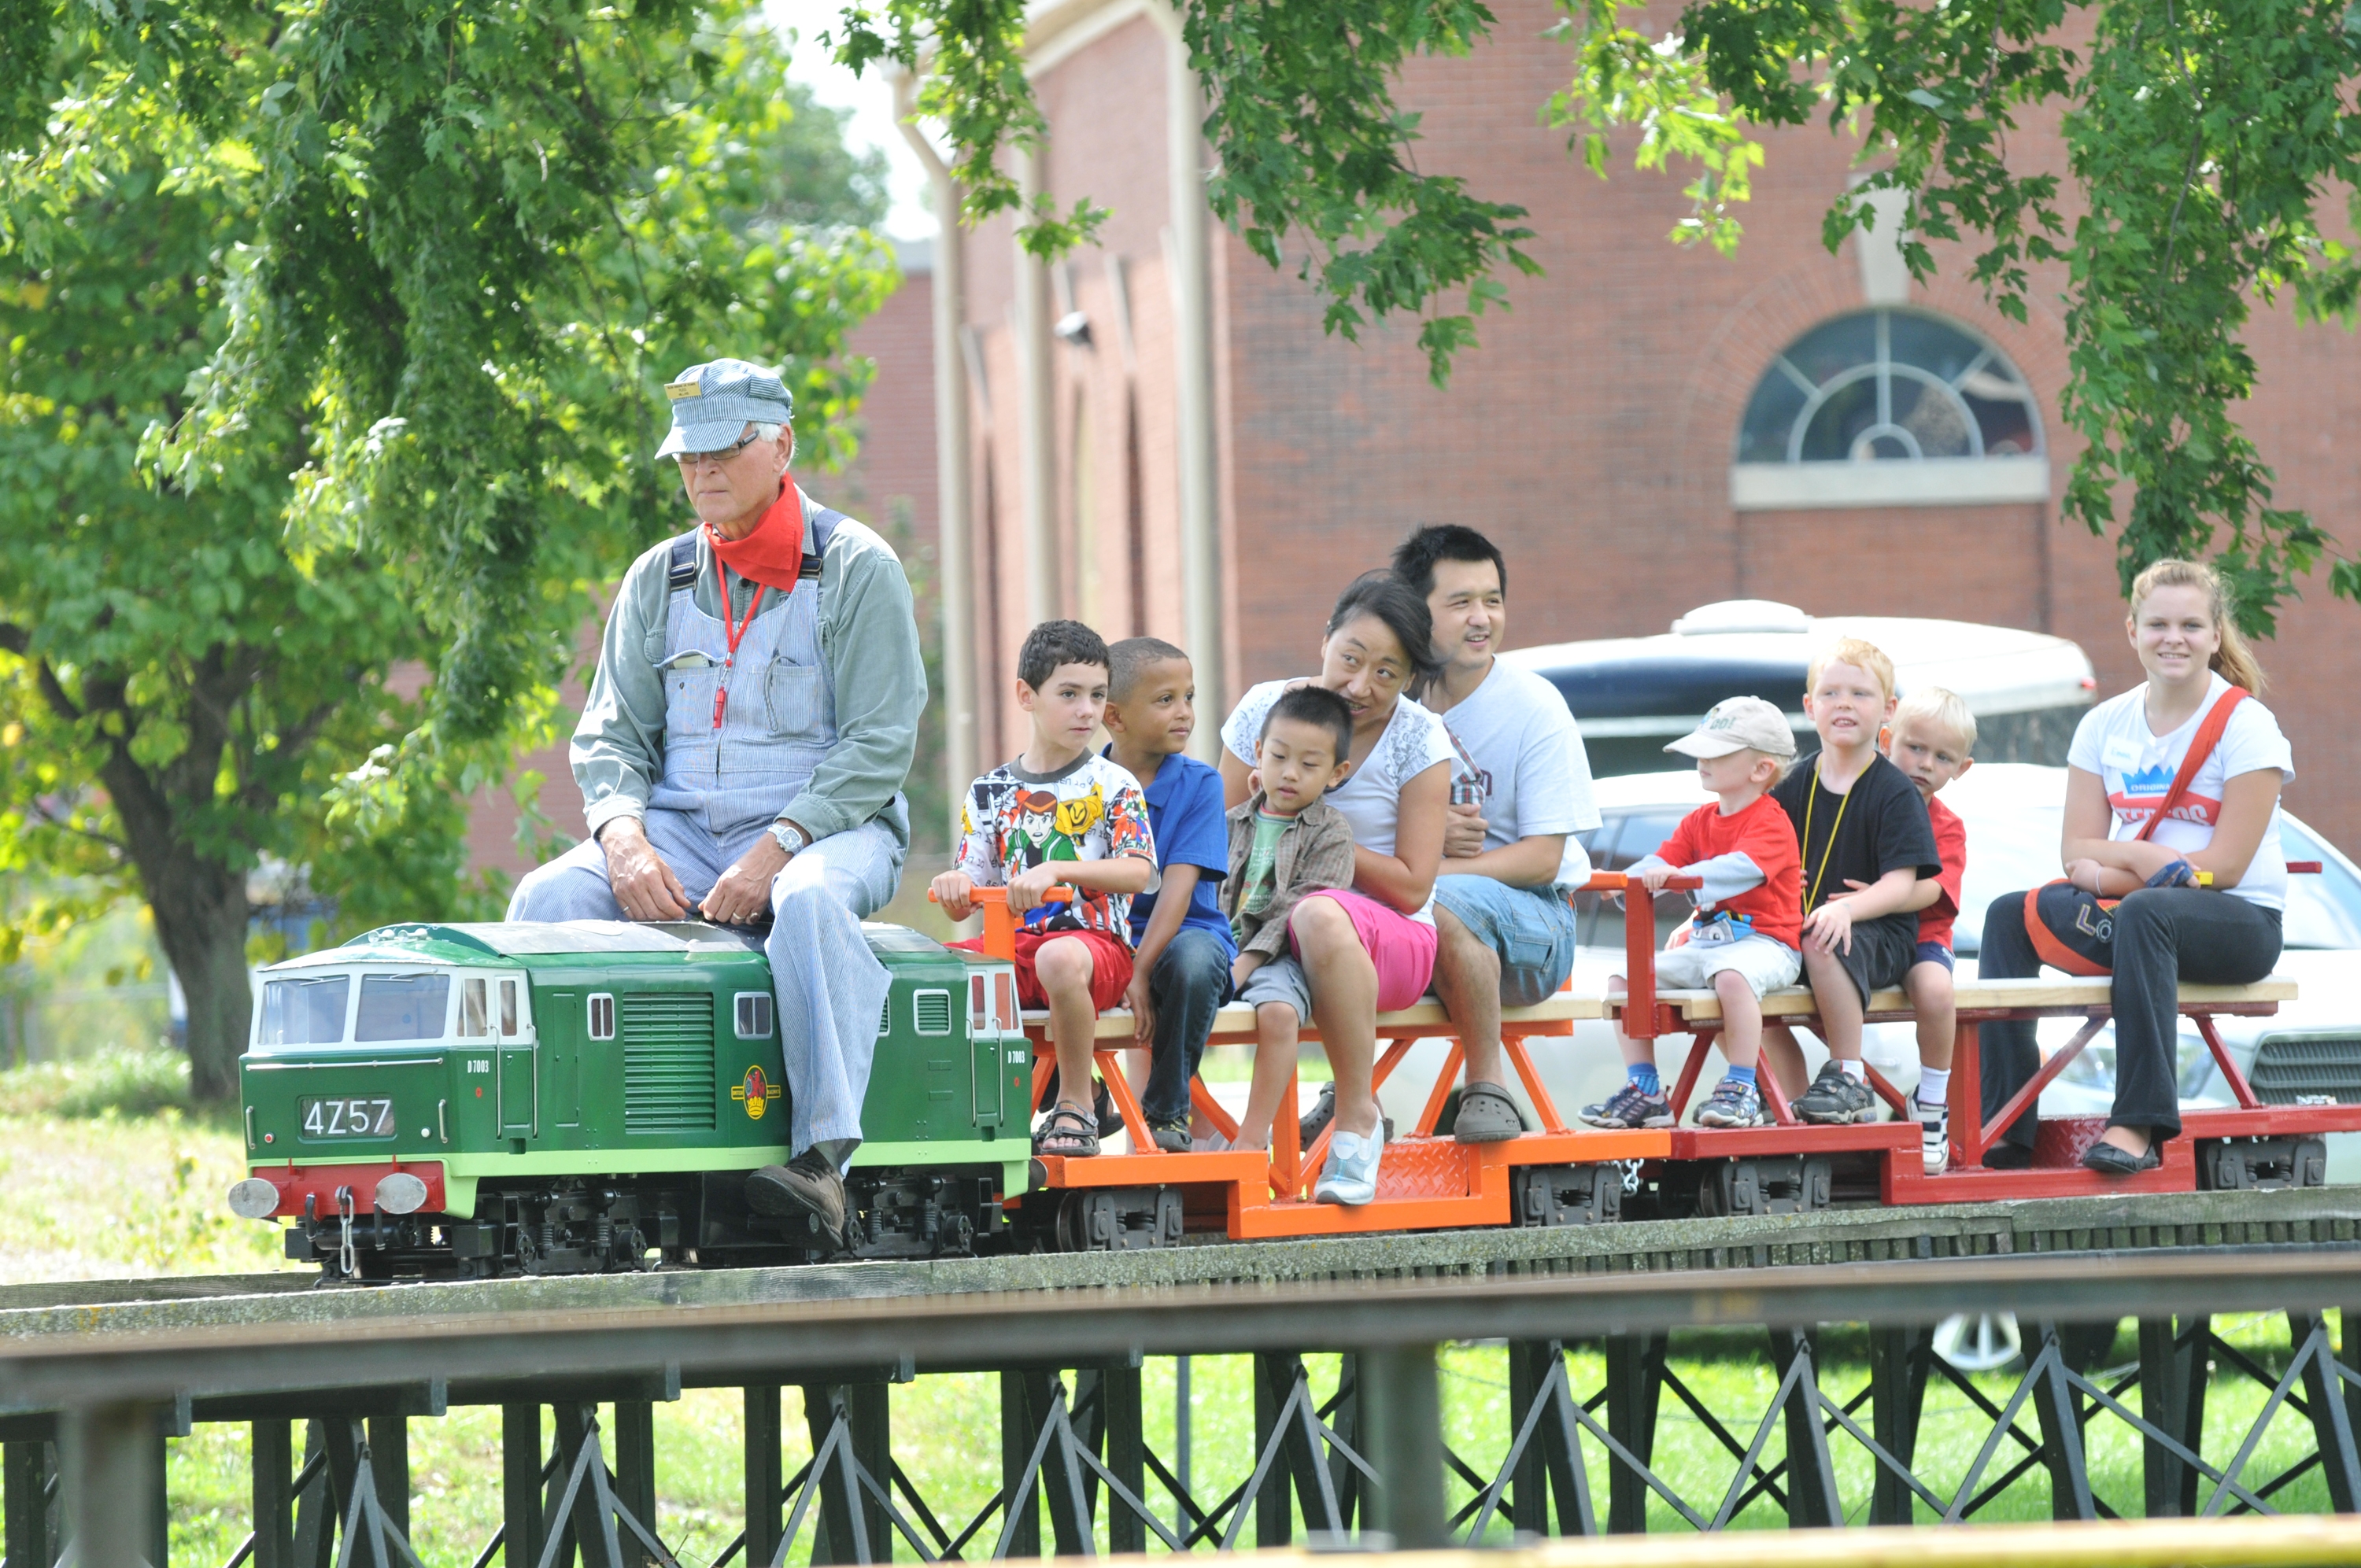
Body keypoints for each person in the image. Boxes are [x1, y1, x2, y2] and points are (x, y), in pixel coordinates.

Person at [507, 359, 925, 1252]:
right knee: (548, 896)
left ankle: (822, 1161)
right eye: (688, 456)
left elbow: (880, 744)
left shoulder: (857, 567)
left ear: (783, 445)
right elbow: (610, 736)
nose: (702, 471)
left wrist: (777, 848)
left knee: (807, 901)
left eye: (723, 451)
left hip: (834, 827)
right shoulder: (656, 577)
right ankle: (542, 1151)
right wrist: (623, 838)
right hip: (681, 829)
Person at [1979, 559, 2293, 1175]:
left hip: (2238, 923)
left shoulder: (2247, 724)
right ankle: (2004, 1128)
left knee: (2148, 912)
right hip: (2133, 915)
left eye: (2191, 625)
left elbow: (2225, 867)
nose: (2174, 638)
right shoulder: (2103, 724)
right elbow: (2076, 849)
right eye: (2158, 625)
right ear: (2132, 632)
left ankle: (2139, 1124)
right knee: (2009, 915)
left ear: (2215, 634)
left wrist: (2109, 870)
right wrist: (2142, 857)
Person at [1219, 574, 1453, 1206]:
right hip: (1263, 934)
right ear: (1325, 640)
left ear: (1409, 679)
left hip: (1386, 941)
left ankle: (1356, 1116)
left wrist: (1315, 839)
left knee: (1319, 912)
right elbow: (1219, 841)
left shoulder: (1419, 737)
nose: (1360, 685)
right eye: (1351, 658)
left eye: (1387, 672)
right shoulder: (1266, 708)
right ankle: (1188, 1135)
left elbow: (1412, 887)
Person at [1391, 525, 1600, 1144]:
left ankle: (1487, 1086)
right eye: (1460, 602)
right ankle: (1351, 1100)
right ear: (1416, 612)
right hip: (1416, 913)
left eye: (1492, 600)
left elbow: (1543, 859)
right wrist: (1424, 837)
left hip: (1536, 924)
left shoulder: (1535, 706)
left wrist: (1425, 872)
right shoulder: (1394, 703)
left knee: (1440, 900)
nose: (1482, 618)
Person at [933, 621, 1156, 1159]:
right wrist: (955, 884)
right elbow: (971, 889)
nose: (1087, 710)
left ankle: (1076, 1104)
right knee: (929, 970)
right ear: (1026, 695)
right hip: (1012, 949)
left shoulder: (1113, 782)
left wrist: (1060, 870)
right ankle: (960, 1110)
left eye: (1098, 695)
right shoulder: (989, 791)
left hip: (1094, 952)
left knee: (1058, 957)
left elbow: (1138, 871)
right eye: (1070, 694)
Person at [1583, 699, 1801, 1131]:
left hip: (1767, 944)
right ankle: (1645, 1088)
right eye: (1700, 751)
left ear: (1761, 769)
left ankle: (1742, 1085)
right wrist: (1622, 880)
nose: (1702, 760)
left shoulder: (1771, 822)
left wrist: (1677, 877)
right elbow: (1661, 860)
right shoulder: (1699, 820)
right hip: (1707, 946)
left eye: (1715, 753)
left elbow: (1740, 869)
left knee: (1732, 978)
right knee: (1625, 980)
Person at [1760, 638, 1941, 1123]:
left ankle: (1848, 1077)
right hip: (1796, 930)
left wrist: (1845, 909)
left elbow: (1901, 885)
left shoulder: (1895, 791)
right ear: (1809, 706)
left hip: (1878, 936)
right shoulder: (1788, 786)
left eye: (1860, 694)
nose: (1844, 704)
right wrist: (1699, 917)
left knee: (1821, 937)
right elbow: (1750, 863)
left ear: (1888, 709)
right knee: (1723, 964)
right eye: (1831, 693)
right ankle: (1773, 1091)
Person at [1101, 637, 1236, 1153]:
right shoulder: (1085, 786)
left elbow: (1177, 893)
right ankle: (1080, 1097)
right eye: (1166, 700)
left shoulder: (1201, 784)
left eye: (1189, 697)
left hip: (1184, 937)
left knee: (1194, 961)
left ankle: (1167, 1111)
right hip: (1106, 939)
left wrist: (1137, 971)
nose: (1185, 712)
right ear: (1115, 716)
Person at [1222, 686, 1360, 1153]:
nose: (1289, 773)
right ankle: (1180, 1129)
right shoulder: (1230, 822)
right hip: (1219, 946)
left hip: (1279, 957)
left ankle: (1250, 1138)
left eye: (1309, 764)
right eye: (1279, 757)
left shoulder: (1332, 833)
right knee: (1170, 998)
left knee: (1280, 1014)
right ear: (1259, 753)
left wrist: (1245, 962)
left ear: (1337, 773)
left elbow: (1301, 909)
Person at [1883, 687, 1975, 1175]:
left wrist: (1873, 898)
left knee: (1937, 990)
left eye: (1942, 757)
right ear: (1886, 740)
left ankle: (1933, 1104)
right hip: (1862, 936)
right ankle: (1837, 1089)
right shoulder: (1860, 804)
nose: (1924, 764)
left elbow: (1935, 890)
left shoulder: (1947, 827)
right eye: (1914, 747)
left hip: (1921, 938)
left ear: (1961, 769)